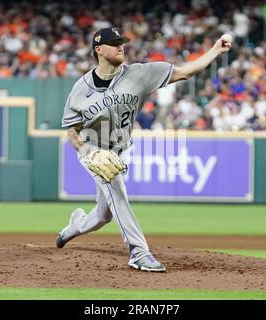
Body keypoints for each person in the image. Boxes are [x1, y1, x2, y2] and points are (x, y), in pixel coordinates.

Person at [56, 27, 231, 272]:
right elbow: (71, 131)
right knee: (115, 187)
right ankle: (139, 252)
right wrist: (86, 151)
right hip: (93, 150)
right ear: (98, 49)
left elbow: (186, 72)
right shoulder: (80, 89)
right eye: (114, 42)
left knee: (104, 215)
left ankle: (73, 227)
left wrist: (215, 50)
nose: (121, 46)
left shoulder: (140, 74)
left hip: (120, 149)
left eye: (121, 42)